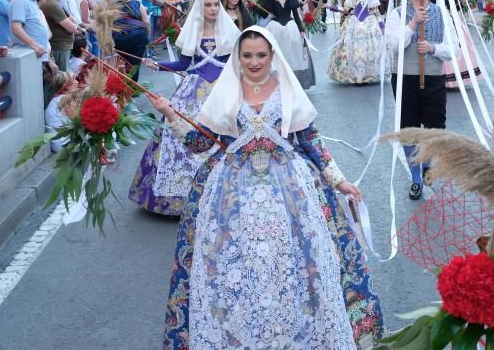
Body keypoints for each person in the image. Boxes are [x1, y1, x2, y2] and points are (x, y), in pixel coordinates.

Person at [156, 27, 383, 348]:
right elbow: (198, 142)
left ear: (272, 55)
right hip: (231, 197)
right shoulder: (225, 92)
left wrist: (339, 180)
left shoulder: (287, 90)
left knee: (298, 267)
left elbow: (310, 141)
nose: (253, 62)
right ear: (238, 56)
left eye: (261, 55)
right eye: (247, 55)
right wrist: (170, 114)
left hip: (290, 195)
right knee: (235, 270)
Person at [130, 0, 240, 216]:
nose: (213, 9)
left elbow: (236, 64)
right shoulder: (193, 33)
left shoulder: (229, 32)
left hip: (221, 90)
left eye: (215, 5)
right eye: (208, 5)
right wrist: (158, 65)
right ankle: (178, 197)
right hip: (194, 90)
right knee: (180, 136)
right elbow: (182, 64)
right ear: (200, 8)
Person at [384, 0, 453, 200]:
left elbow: (454, 50)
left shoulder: (443, 14)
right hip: (405, 78)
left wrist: (433, 48)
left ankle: (427, 165)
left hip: (433, 77)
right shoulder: (396, 14)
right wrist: (413, 24)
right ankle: (415, 178)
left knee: (435, 128)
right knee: (409, 129)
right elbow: (394, 46)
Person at [327, 0, 384, 84]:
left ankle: (367, 75)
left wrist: (382, 26)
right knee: (351, 47)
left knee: (368, 49)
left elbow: (376, 12)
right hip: (354, 23)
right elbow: (346, 10)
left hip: (369, 23)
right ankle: (354, 75)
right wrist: (331, 7)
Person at [261, 0, 308, 82]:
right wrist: (252, 6)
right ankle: (276, 80)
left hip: (290, 29)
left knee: (290, 54)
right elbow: (264, 14)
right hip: (274, 29)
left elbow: (296, 15)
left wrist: (301, 29)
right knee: (275, 54)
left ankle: (289, 80)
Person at [40, 0, 84, 72]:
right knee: (61, 79)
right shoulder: (51, 4)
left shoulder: (53, 3)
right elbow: (72, 28)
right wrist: (76, 27)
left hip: (61, 46)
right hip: (59, 47)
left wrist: (71, 21)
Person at [10, 0, 53, 70]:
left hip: (37, 56)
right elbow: (16, 28)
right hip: (29, 56)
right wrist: (35, 45)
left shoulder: (30, 0)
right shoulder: (20, 1)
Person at [112, 0, 150, 81]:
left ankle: (123, 85)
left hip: (119, 38)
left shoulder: (113, 6)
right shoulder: (137, 4)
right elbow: (146, 22)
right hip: (138, 37)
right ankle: (132, 85)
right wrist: (148, 34)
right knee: (135, 63)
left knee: (122, 62)